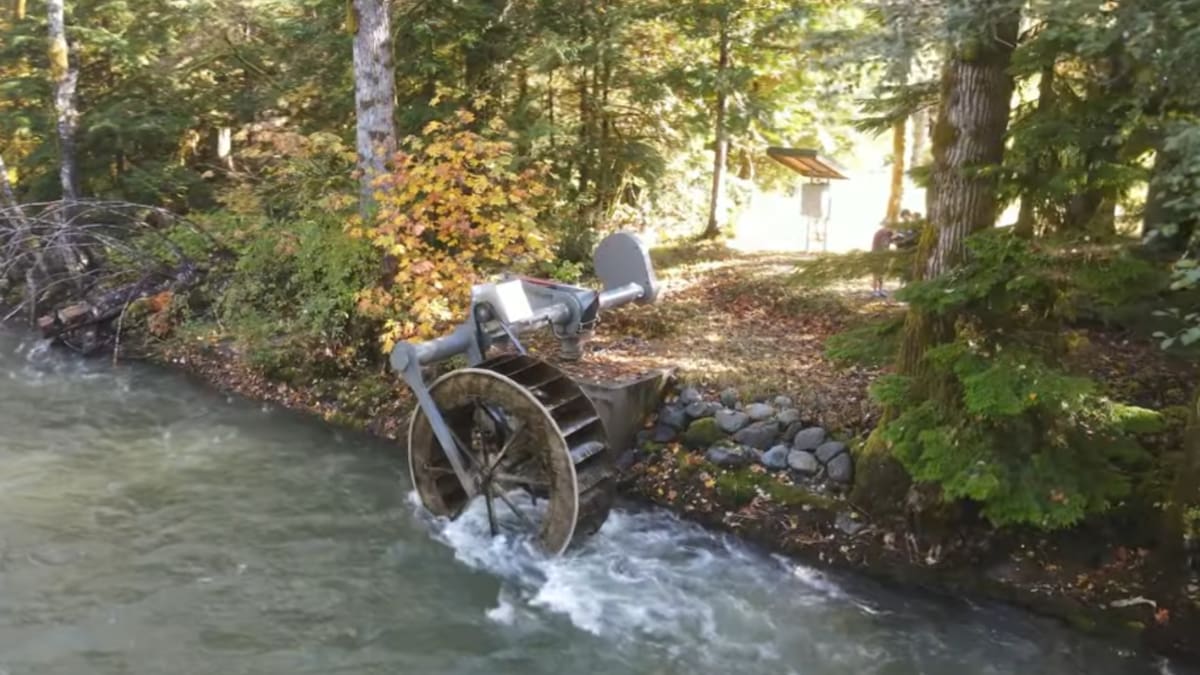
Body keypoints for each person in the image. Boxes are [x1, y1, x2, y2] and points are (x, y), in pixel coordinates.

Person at [871, 220, 893, 297]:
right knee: (876, 273)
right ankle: (874, 291)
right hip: (877, 255)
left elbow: (888, 244)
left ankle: (880, 290)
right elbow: (884, 244)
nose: (890, 227)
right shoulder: (881, 233)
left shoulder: (887, 234)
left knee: (881, 273)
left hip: (883, 256)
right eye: (888, 225)